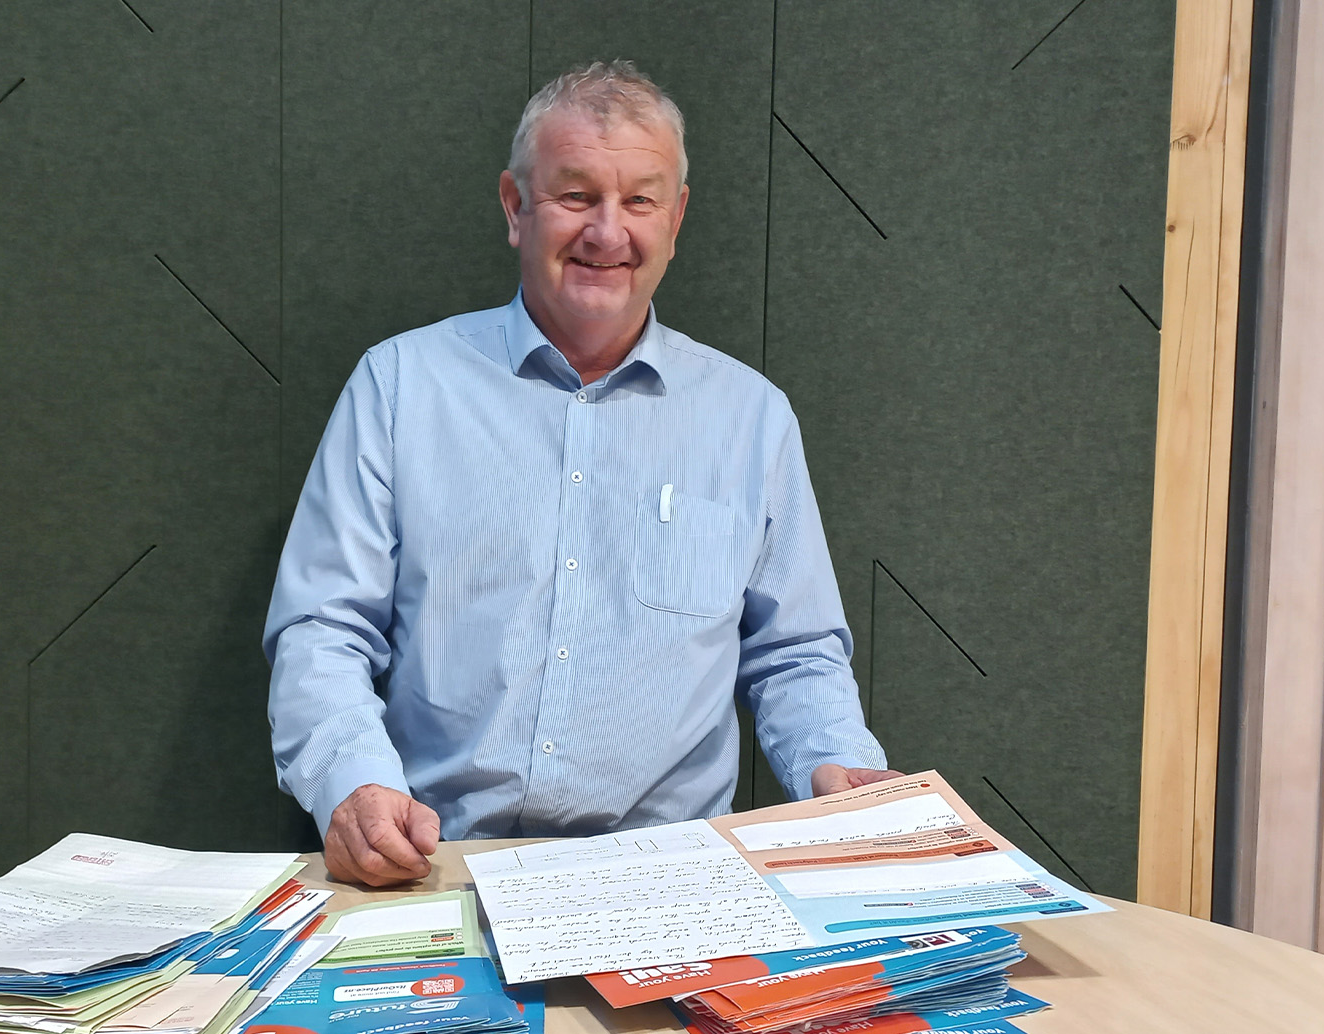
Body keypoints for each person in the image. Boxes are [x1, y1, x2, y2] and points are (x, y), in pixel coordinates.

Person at [266, 61, 897, 887]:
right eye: (575, 196)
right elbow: (323, 629)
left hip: (674, 877)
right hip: (437, 865)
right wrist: (354, 785)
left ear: (676, 217)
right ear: (514, 207)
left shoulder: (753, 419)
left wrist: (840, 768)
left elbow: (796, 651)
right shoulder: (398, 387)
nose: (608, 232)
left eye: (639, 200)